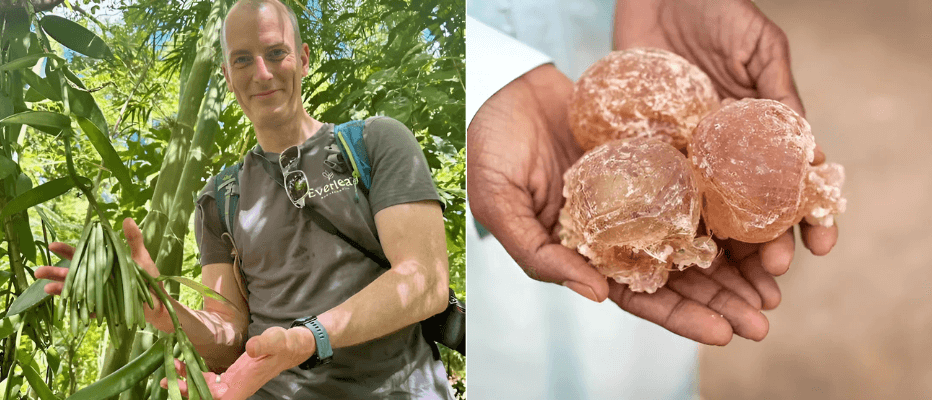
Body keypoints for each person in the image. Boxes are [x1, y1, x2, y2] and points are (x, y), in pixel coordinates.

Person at [37, 0, 454, 399]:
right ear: (226, 73)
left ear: (304, 58)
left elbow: (424, 282)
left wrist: (308, 338)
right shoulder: (221, 197)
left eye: (276, 53)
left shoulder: (374, 142)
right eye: (242, 59)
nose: (262, 73)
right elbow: (227, 336)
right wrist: (161, 310)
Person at [467, 0, 839, 397]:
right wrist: (483, 79)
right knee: (513, 349)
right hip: (541, 139)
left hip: (617, 31)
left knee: (644, 366)